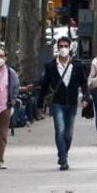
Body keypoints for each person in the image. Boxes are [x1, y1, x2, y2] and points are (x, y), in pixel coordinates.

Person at [38, 37, 90, 171]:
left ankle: (64, 152)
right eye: (61, 46)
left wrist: (85, 97)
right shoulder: (50, 66)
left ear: (70, 47)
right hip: (57, 103)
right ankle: (63, 159)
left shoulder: (77, 65)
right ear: (57, 47)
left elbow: (84, 83)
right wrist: (39, 104)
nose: (63, 49)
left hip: (72, 103)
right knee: (60, 130)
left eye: (66, 46)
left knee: (69, 133)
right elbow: (44, 86)